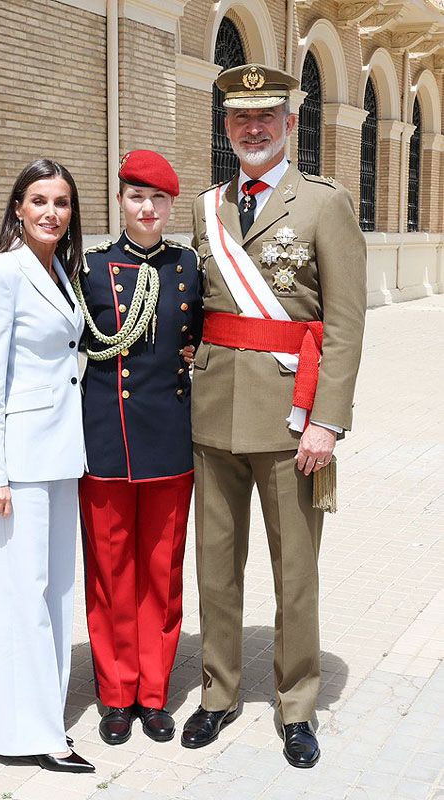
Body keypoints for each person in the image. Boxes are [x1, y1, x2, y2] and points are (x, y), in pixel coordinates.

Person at [181, 64, 367, 768]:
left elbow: (345, 326)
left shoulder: (323, 202)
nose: (251, 128)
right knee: (215, 569)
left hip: (293, 423)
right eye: (238, 118)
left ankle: (296, 706)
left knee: (295, 573)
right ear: (226, 127)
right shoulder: (207, 208)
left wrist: (328, 421)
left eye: (265, 117)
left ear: (289, 123)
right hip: (212, 415)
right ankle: (218, 693)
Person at [0, 158, 94, 773]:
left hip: (62, 454)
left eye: (62, 203)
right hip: (18, 462)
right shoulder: (2, 274)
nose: (50, 212)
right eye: (38, 200)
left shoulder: (61, 271)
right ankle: (32, 736)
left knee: (55, 592)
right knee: (22, 595)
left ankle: (41, 719)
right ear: (17, 207)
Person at [74, 150, 203, 745]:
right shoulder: (90, 269)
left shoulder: (189, 267)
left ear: (171, 205)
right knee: (109, 573)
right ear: (120, 201)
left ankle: (154, 694)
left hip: (170, 440)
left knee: (161, 572)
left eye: (157, 199)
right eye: (135, 197)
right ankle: (115, 694)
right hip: (105, 442)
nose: (147, 208)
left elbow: (206, 338)